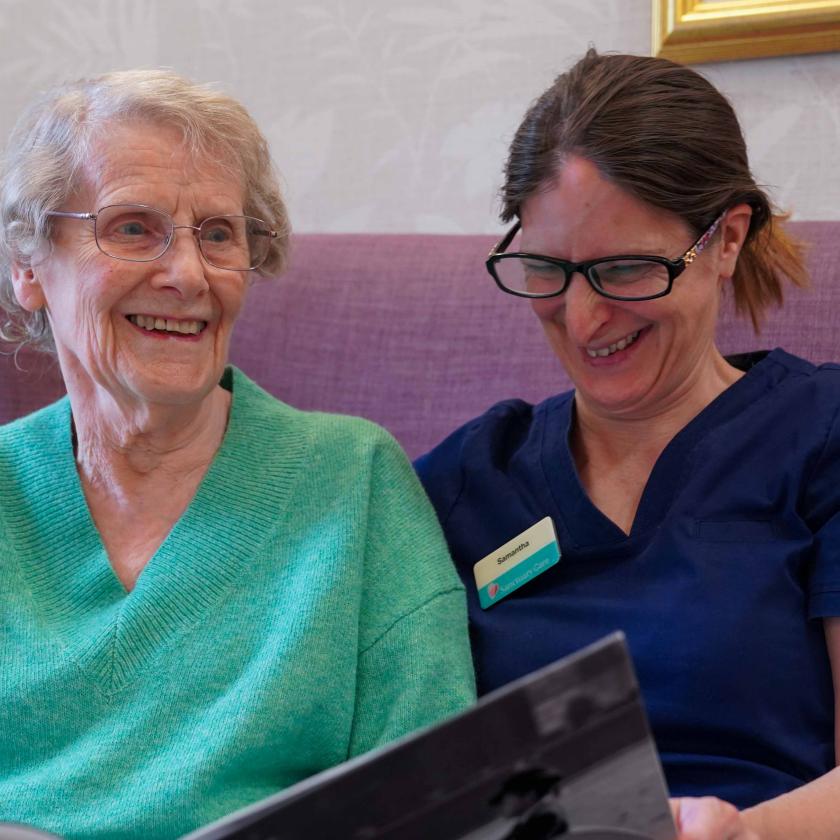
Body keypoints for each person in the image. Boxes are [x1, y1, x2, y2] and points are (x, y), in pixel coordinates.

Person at [0, 70, 474, 839]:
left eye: (219, 234)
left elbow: (436, 799)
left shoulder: (351, 484)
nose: (188, 275)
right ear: (28, 265)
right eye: (132, 227)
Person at [416, 49, 840, 839]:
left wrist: (746, 833)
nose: (582, 320)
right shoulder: (469, 479)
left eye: (625, 269)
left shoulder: (821, 435)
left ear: (726, 240)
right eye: (547, 268)